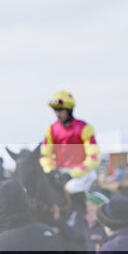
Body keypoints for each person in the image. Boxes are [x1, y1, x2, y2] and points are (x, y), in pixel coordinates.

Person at [39, 91, 100, 219]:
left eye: (60, 110)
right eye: (55, 110)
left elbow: (94, 158)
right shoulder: (51, 130)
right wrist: (50, 171)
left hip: (82, 173)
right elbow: (45, 155)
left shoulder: (85, 128)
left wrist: (72, 174)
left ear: (69, 109)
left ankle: (84, 220)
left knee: (72, 188)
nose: (57, 113)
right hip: (60, 173)